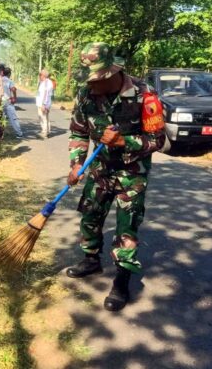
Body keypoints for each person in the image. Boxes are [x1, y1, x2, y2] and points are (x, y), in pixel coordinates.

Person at [65, 42, 166, 312]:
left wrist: (123, 141)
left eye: (95, 80)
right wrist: (76, 164)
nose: (90, 85)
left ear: (110, 74)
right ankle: (91, 259)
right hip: (99, 169)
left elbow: (158, 140)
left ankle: (122, 281)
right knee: (90, 214)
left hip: (131, 174)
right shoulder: (86, 94)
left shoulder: (146, 95)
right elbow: (78, 132)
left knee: (126, 227)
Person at [1, 67, 23, 138]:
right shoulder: (9, 81)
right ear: (9, 74)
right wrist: (15, 98)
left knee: (1, 119)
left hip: (0, 102)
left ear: (3, 73)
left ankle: (1, 134)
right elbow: (13, 89)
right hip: (8, 101)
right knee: (13, 118)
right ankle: (19, 133)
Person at [36, 69, 54, 138]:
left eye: (40, 75)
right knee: (46, 117)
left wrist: (43, 104)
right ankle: (47, 131)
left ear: (43, 75)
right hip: (44, 103)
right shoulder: (45, 82)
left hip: (43, 104)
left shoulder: (46, 83)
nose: (39, 76)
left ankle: (45, 132)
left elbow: (45, 94)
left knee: (43, 117)